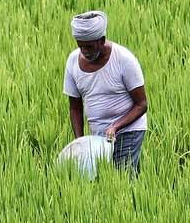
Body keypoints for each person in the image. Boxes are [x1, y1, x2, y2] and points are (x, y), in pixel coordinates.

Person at [63, 10, 148, 174]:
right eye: (80, 46)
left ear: (101, 41)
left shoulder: (124, 59)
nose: (85, 51)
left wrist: (115, 126)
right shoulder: (73, 62)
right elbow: (75, 107)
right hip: (98, 136)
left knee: (122, 177)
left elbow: (142, 104)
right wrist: (80, 140)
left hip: (128, 129)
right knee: (98, 178)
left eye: (89, 46)